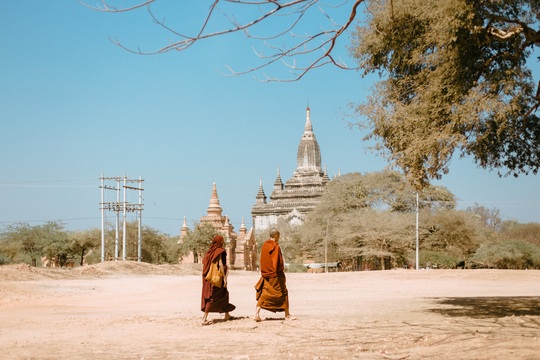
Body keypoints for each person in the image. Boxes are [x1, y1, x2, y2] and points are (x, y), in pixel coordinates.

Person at [254, 228, 296, 321]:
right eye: (279, 235)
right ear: (276, 235)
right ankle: (287, 315)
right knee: (284, 293)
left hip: (265, 274)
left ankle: (256, 314)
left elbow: (263, 260)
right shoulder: (275, 246)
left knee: (264, 292)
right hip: (275, 275)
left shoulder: (265, 245)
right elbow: (276, 262)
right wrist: (278, 272)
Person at [201, 235, 235, 325]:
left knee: (224, 294)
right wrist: (224, 277)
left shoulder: (209, 251)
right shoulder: (219, 251)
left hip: (209, 278)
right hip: (217, 278)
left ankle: (227, 314)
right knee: (212, 297)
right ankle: (204, 318)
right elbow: (220, 264)